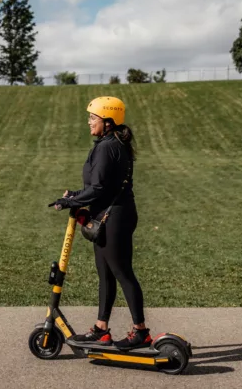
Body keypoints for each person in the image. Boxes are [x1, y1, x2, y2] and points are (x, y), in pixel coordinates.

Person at [48, 96, 151, 350]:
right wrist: (74, 196)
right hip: (110, 214)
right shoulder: (114, 143)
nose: (89, 122)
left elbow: (98, 188)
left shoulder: (106, 147)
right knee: (105, 275)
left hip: (113, 217)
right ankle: (101, 329)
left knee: (122, 273)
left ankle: (141, 333)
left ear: (107, 121)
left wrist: (70, 202)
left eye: (92, 118)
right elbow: (101, 187)